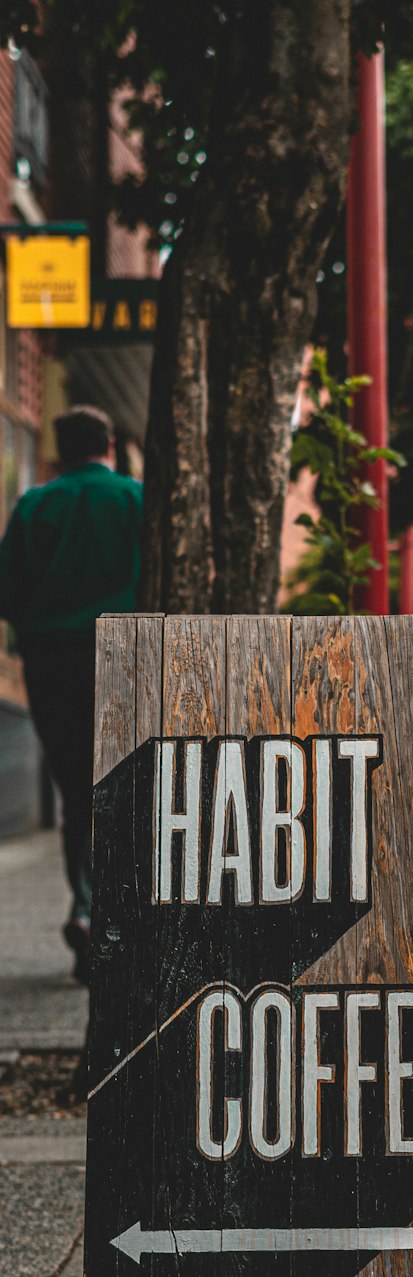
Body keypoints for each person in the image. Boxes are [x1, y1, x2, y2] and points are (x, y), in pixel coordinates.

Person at [0, 405, 143, 983]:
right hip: (130, 654)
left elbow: (6, 592)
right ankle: (117, 918)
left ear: (57, 449)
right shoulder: (137, 499)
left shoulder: (35, 505)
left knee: (74, 792)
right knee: (127, 783)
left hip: (52, 658)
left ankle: (86, 906)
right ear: (109, 443)